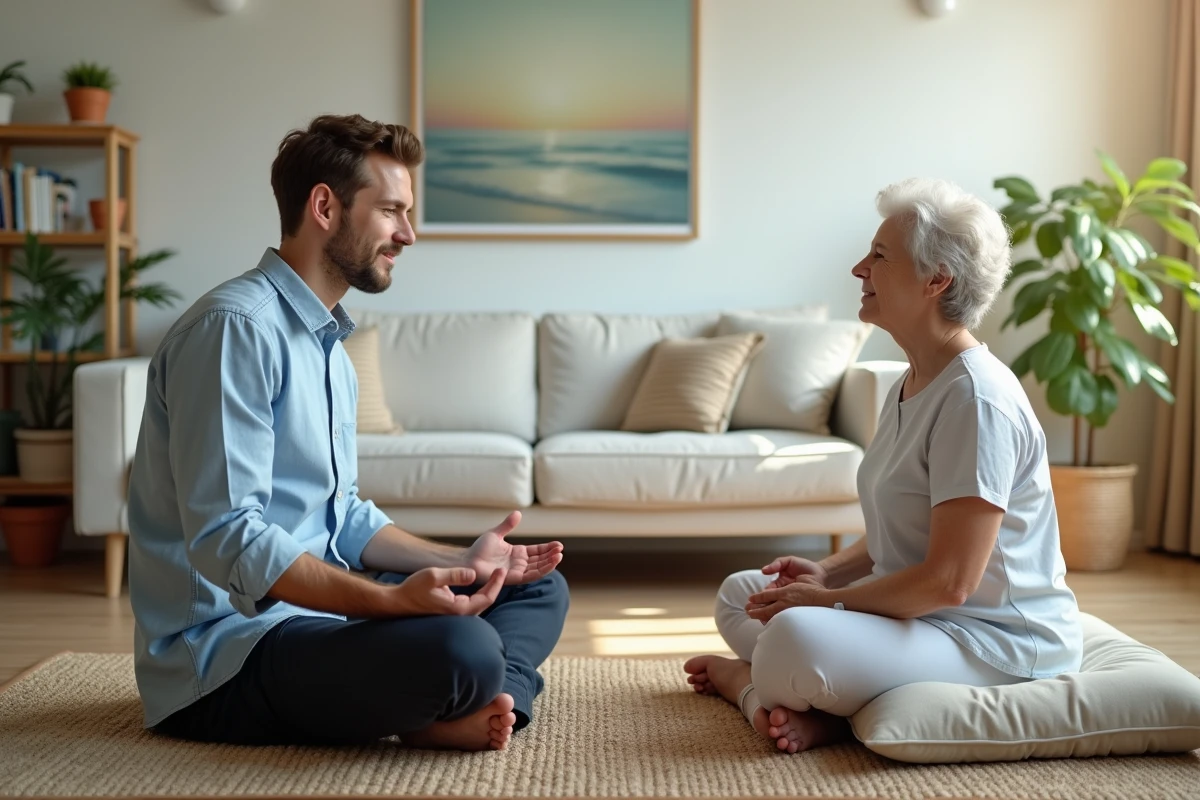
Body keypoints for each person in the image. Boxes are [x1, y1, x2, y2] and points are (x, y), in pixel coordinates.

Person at [125, 114, 569, 751]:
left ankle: (480, 703)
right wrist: (390, 605)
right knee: (460, 645)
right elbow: (229, 538)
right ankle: (451, 698)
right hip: (227, 655)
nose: (408, 235)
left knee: (534, 585)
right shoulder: (236, 329)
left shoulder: (330, 342)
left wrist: (460, 563)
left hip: (314, 614)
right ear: (325, 207)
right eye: (391, 211)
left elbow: (342, 515)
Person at [683, 177, 1082, 754]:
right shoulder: (913, 380)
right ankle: (825, 704)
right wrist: (828, 574)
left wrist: (827, 604)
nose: (857, 269)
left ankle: (751, 689)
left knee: (791, 638)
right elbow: (906, 525)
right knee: (741, 592)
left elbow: (951, 579)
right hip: (921, 616)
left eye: (878, 256)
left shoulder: (976, 399)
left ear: (936, 279)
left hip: (993, 640)